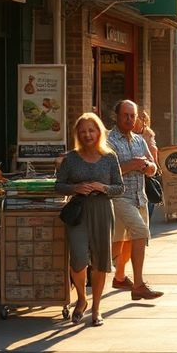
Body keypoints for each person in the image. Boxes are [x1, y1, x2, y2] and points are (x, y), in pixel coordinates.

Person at [55, 113, 124, 326]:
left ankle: (96, 309)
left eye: (91, 130)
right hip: (78, 211)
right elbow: (58, 185)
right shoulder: (71, 159)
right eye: (83, 131)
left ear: (99, 132)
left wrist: (104, 188)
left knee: (101, 260)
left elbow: (120, 187)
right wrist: (75, 188)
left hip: (102, 210)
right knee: (78, 259)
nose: (87, 135)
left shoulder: (109, 157)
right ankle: (82, 299)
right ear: (78, 134)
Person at [107, 100, 163, 300]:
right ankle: (138, 285)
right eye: (126, 115)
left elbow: (153, 167)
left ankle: (119, 277)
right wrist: (131, 165)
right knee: (140, 232)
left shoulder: (139, 140)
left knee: (124, 242)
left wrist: (148, 167)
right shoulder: (109, 141)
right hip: (119, 197)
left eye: (133, 116)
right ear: (116, 116)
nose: (130, 119)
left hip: (140, 197)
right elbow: (106, 172)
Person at [135, 110, 159, 219]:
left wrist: (154, 165)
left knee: (147, 201)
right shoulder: (133, 134)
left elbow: (153, 151)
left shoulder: (147, 134)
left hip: (146, 172)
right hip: (139, 172)